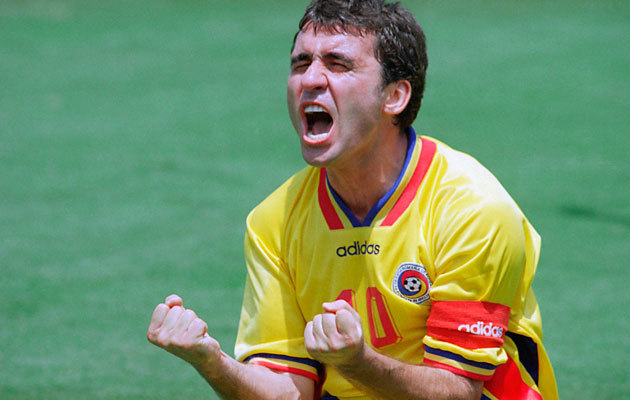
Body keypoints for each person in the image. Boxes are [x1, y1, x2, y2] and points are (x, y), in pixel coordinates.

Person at [147, 0, 559, 399]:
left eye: (338, 64)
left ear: (394, 96)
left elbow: (459, 391)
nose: (310, 79)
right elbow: (289, 391)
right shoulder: (274, 222)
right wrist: (212, 362)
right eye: (300, 63)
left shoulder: (472, 209)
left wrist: (358, 362)